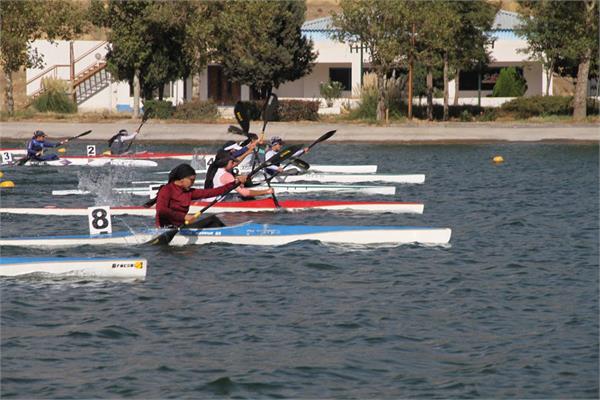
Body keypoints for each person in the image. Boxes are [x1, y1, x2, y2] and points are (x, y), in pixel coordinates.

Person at [152, 163, 248, 228]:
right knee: (213, 221)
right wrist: (183, 217)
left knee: (213, 220)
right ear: (182, 179)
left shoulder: (189, 192)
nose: (193, 183)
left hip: (181, 227)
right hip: (165, 228)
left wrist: (235, 183)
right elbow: (161, 210)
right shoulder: (166, 190)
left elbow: (212, 192)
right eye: (191, 180)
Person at [204, 150, 274, 199]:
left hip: (213, 198)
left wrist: (237, 180)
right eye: (232, 162)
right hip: (218, 201)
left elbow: (229, 181)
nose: (234, 164)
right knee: (248, 197)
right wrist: (266, 191)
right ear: (225, 162)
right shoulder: (226, 175)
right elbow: (245, 193)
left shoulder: (217, 169)